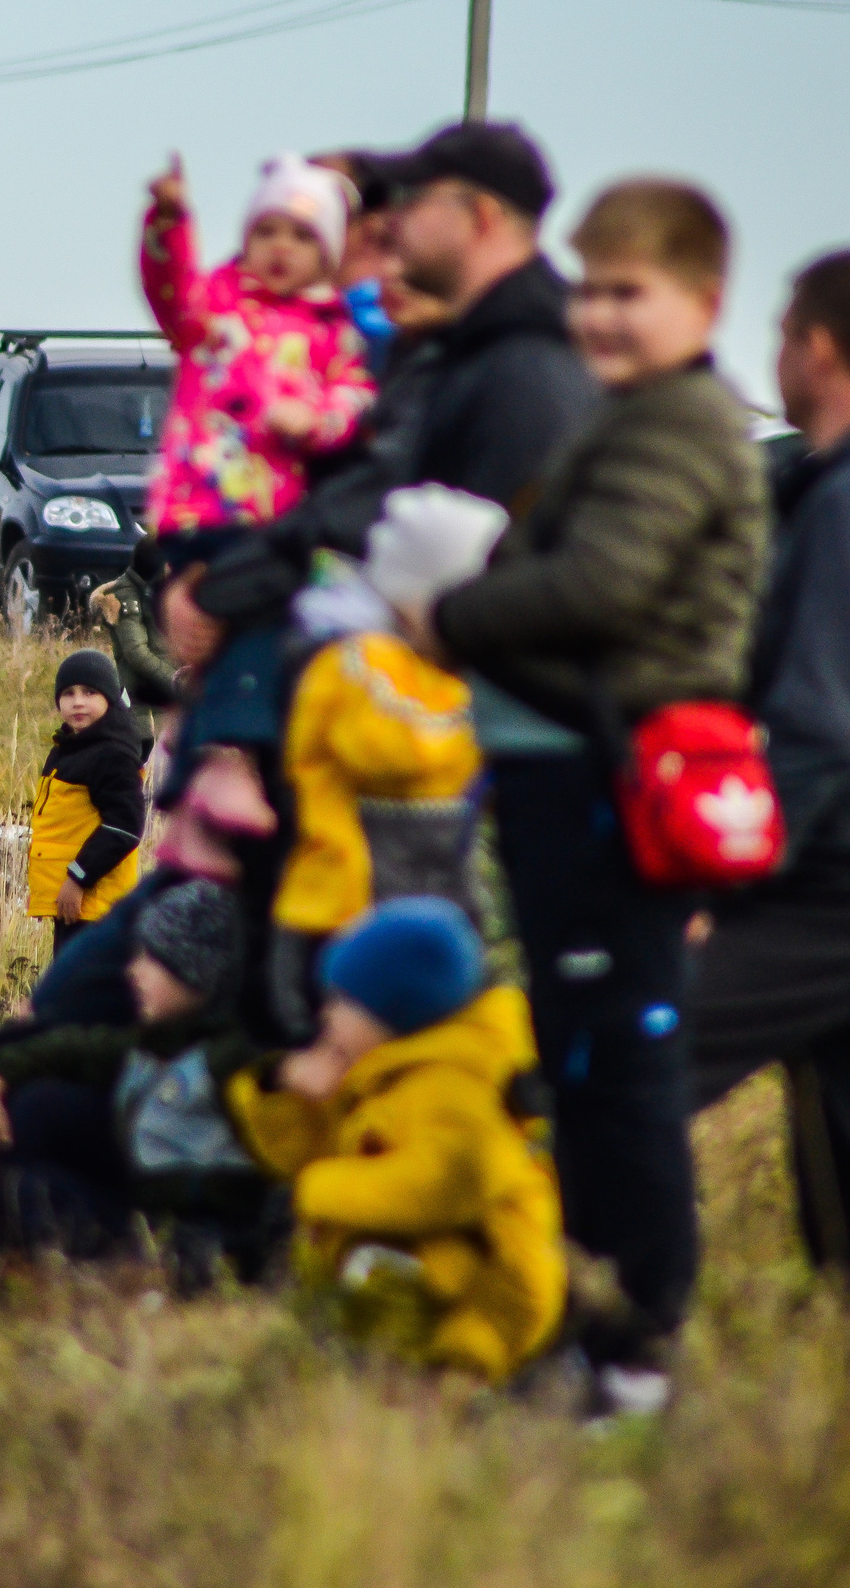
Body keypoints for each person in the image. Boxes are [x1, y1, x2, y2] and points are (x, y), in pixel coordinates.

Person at [430, 179, 766, 1415]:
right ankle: (585, 1322)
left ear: (703, 301)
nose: (603, 316)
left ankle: (636, 1341)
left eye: (632, 293)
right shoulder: (626, 414)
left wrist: (449, 610)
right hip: (569, 771)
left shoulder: (678, 425)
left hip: (618, 779)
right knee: (579, 1057)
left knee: (620, 1063)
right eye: (592, 290)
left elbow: (600, 587)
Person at [0, 881, 268, 1339]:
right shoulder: (146, 1047)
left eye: (152, 958)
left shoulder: (232, 1067)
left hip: (189, 1248)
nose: (132, 971)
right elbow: (72, 1049)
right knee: (19, 1187)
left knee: (21, 1197)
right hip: (150, 1229)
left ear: (193, 972)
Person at [685, 250, 850, 1272]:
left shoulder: (839, 506)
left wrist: (726, 878)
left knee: (636, 1063)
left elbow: (820, 726)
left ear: (818, 347)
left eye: (784, 332)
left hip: (823, 877)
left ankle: (599, 1311)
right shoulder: (813, 487)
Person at [229, 899, 565, 1385]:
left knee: (380, 1273)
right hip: (409, 1296)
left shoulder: (452, 1086)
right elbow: (300, 1160)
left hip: (479, 1304)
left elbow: (442, 1187)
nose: (326, 1014)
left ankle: (417, 1384)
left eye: (342, 1002)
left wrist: (319, 1189)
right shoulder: (385, 1073)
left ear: (394, 1013)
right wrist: (289, 1093)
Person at [267, 489, 500, 1036]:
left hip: (418, 900)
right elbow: (400, 751)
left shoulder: (424, 663)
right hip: (345, 906)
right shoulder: (356, 660)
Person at [365, 121, 600, 507]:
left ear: (482, 215)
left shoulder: (527, 371)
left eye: (411, 197)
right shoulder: (471, 349)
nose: (392, 219)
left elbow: (509, 535)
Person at [139, 151, 373, 537]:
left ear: (327, 255)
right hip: (194, 507)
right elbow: (171, 290)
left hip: (276, 513)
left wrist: (317, 420)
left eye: (302, 236)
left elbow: (353, 393)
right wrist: (170, 222)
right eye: (266, 232)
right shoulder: (213, 305)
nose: (281, 247)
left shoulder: (331, 327)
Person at [28, 650, 148, 950]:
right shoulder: (67, 749)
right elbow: (61, 830)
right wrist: (45, 887)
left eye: (90, 692)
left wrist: (79, 877)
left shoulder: (113, 754)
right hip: (72, 903)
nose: (78, 702)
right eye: (68, 693)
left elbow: (124, 827)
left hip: (97, 905)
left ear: (110, 697)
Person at [87, 534, 180, 715]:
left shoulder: (157, 589)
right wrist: (175, 680)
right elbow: (136, 652)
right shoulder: (126, 594)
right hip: (144, 700)